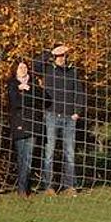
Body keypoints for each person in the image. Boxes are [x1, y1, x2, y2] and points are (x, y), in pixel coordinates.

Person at [34, 43, 86, 195]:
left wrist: (77, 112)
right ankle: (48, 186)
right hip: (51, 116)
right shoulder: (47, 69)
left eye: (63, 55)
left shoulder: (72, 71)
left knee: (69, 152)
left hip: (69, 118)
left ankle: (70, 186)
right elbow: (35, 65)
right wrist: (50, 52)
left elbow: (80, 93)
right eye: (59, 55)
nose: (61, 58)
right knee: (49, 151)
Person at [7, 60, 44, 196]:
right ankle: (22, 187)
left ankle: (23, 188)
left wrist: (30, 89)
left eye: (25, 67)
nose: (23, 69)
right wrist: (20, 89)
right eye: (20, 67)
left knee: (28, 157)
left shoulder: (33, 84)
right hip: (19, 125)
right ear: (15, 70)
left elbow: (43, 99)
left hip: (33, 125)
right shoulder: (12, 84)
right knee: (21, 157)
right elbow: (15, 102)